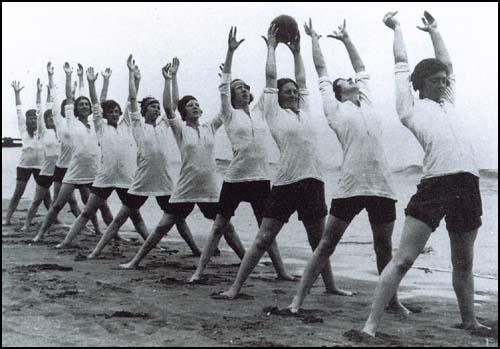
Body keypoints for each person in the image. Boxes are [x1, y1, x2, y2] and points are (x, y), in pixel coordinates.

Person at [360, 11, 491, 337]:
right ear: (419, 85)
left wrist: (435, 31)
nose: (444, 84)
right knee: (403, 259)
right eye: (436, 80)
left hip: (468, 182)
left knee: (464, 264)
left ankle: (469, 320)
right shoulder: (410, 109)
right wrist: (398, 29)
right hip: (436, 184)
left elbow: (447, 63)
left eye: (446, 80)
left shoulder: (450, 102)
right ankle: (370, 326)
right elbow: (401, 64)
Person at [217, 24, 345, 299]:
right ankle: (235, 288)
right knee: (264, 239)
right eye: (287, 91)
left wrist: (298, 52)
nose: (293, 93)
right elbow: (271, 76)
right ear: (278, 96)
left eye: (294, 91)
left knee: (318, 241)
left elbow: (302, 77)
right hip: (286, 183)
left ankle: (331, 285)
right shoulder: (273, 113)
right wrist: (272, 48)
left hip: (313, 181)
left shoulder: (307, 109)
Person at [288, 19, 408, 313]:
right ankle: (297, 300)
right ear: (339, 93)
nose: (353, 83)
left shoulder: (366, 103)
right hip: (351, 186)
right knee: (326, 245)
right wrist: (315, 39)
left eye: (353, 82)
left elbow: (361, 68)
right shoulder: (334, 109)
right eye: (347, 84)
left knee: (384, 249)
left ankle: (392, 302)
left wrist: (346, 38)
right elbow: (323, 74)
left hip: (381, 185)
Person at [119, 57, 244, 269]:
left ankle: (246, 259)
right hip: (186, 188)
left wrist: (227, 79)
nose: (195, 107)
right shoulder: (179, 129)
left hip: (209, 189)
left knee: (227, 228)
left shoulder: (210, 127)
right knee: (162, 228)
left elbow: (225, 108)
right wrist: (170, 78)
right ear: (184, 112)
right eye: (190, 105)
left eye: (197, 105)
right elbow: (169, 106)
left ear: (201, 111)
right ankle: (135, 261)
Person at [190, 26, 293, 283]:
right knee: (218, 227)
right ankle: (199, 271)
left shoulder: (260, 111)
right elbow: (223, 86)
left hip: (260, 179)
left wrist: (272, 47)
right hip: (235, 179)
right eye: (238, 89)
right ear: (232, 96)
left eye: (245, 88)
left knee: (266, 230)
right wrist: (230, 52)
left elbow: (271, 81)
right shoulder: (228, 114)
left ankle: (281, 271)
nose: (243, 91)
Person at [88, 55, 199, 259]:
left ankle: (195, 249)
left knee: (177, 218)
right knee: (119, 219)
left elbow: (173, 103)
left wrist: (172, 78)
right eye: (152, 106)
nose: (156, 109)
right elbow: (132, 99)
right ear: (144, 110)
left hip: (163, 180)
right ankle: (96, 251)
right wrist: (131, 74)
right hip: (141, 180)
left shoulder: (165, 125)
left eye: (158, 107)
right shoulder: (137, 125)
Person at [55, 66, 150, 248]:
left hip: (125, 178)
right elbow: (96, 104)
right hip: (104, 177)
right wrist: (91, 83)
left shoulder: (126, 125)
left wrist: (134, 78)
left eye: (116, 111)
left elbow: (132, 102)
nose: (114, 114)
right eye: (111, 111)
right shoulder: (100, 126)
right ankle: (66, 242)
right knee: (86, 213)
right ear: (104, 115)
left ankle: (150, 243)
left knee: (135, 214)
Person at [33, 62, 113, 242]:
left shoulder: (95, 123)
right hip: (71, 169)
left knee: (101, 206)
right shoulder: (69, 121)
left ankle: (103, 231)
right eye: (81, 104)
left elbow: (100, 101)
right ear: (74, 109)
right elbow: (69, 97)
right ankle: (41, 234)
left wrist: (103, 81)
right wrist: (68, 75)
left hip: (92, 171)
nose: (85, 106)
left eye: (87, 104)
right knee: (57, 205)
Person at [4, 81, 49, 226]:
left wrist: (42, 92)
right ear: (26, 120)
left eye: (36, 118)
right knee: (18, 193)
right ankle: (7, 218)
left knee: (46, 195)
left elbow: (44, 109)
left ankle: (54, 218)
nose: (33, 120)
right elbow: (18, 110)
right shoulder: (23, 130)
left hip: (40, 167)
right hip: (24, 166)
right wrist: (17, 93)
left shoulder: (42, 131)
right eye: (30, 118)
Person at [21, 78, 60, 231]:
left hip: (60, 172)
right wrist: (39, 92)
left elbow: (57, 110)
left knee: (70, 202)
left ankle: (90, 227)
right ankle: (26, 224)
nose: (52, 119)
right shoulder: (44, 132)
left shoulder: (62, 132)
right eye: (49, 118)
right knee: (37, 201)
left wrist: (52, 90)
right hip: (46, 171)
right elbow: (40, 110)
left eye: (53, 117)